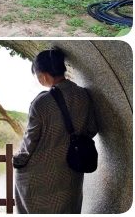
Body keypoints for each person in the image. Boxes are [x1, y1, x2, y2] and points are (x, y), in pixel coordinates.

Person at [13, 48, 98, 213]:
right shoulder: (83, 95)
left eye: (37, 76)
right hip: (72, 170)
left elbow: (31, 140)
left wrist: (18, 160)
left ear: (43, 75)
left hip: (42, 175)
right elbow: (92, 128)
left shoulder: (41, 103)